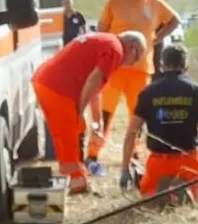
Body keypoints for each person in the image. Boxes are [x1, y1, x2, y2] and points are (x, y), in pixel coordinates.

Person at [87, 0, 181, 174]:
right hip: (114, 67)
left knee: (137, 116)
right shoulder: (115, 1)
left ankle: (134, 157)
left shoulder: (154, 3)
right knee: (105, 115)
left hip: (141, 70)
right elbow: (102, 30)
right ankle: (93, 155)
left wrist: (157, 38)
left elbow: (175, 20)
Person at [32, 31, 148, 194]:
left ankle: (76, 178)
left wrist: (97, 120)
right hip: (57, 86)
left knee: (74, 129)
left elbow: (95, 85)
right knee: (68, 133)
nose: (130, 65)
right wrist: (79, 109)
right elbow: (95, 79)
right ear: (132, 48)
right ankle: (76, 181)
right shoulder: (116, 50)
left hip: (46, 80)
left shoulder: (107, 42)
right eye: (135, 60)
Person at [119, 44, 198, 202]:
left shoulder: (148, 93)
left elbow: (132, 132)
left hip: (158, 161)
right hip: (188, 160)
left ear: (162, 66)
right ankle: (188, 189)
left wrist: (125, 168)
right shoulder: (197, 91)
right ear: (186, 66)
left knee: (148, 195)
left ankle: (161, 191)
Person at [44, 0, 90, 162]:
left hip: (76, 54)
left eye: (69, 2)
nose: (67, 4)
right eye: (64, 2)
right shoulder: (58, 18)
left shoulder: (78, 17)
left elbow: (84, 33)